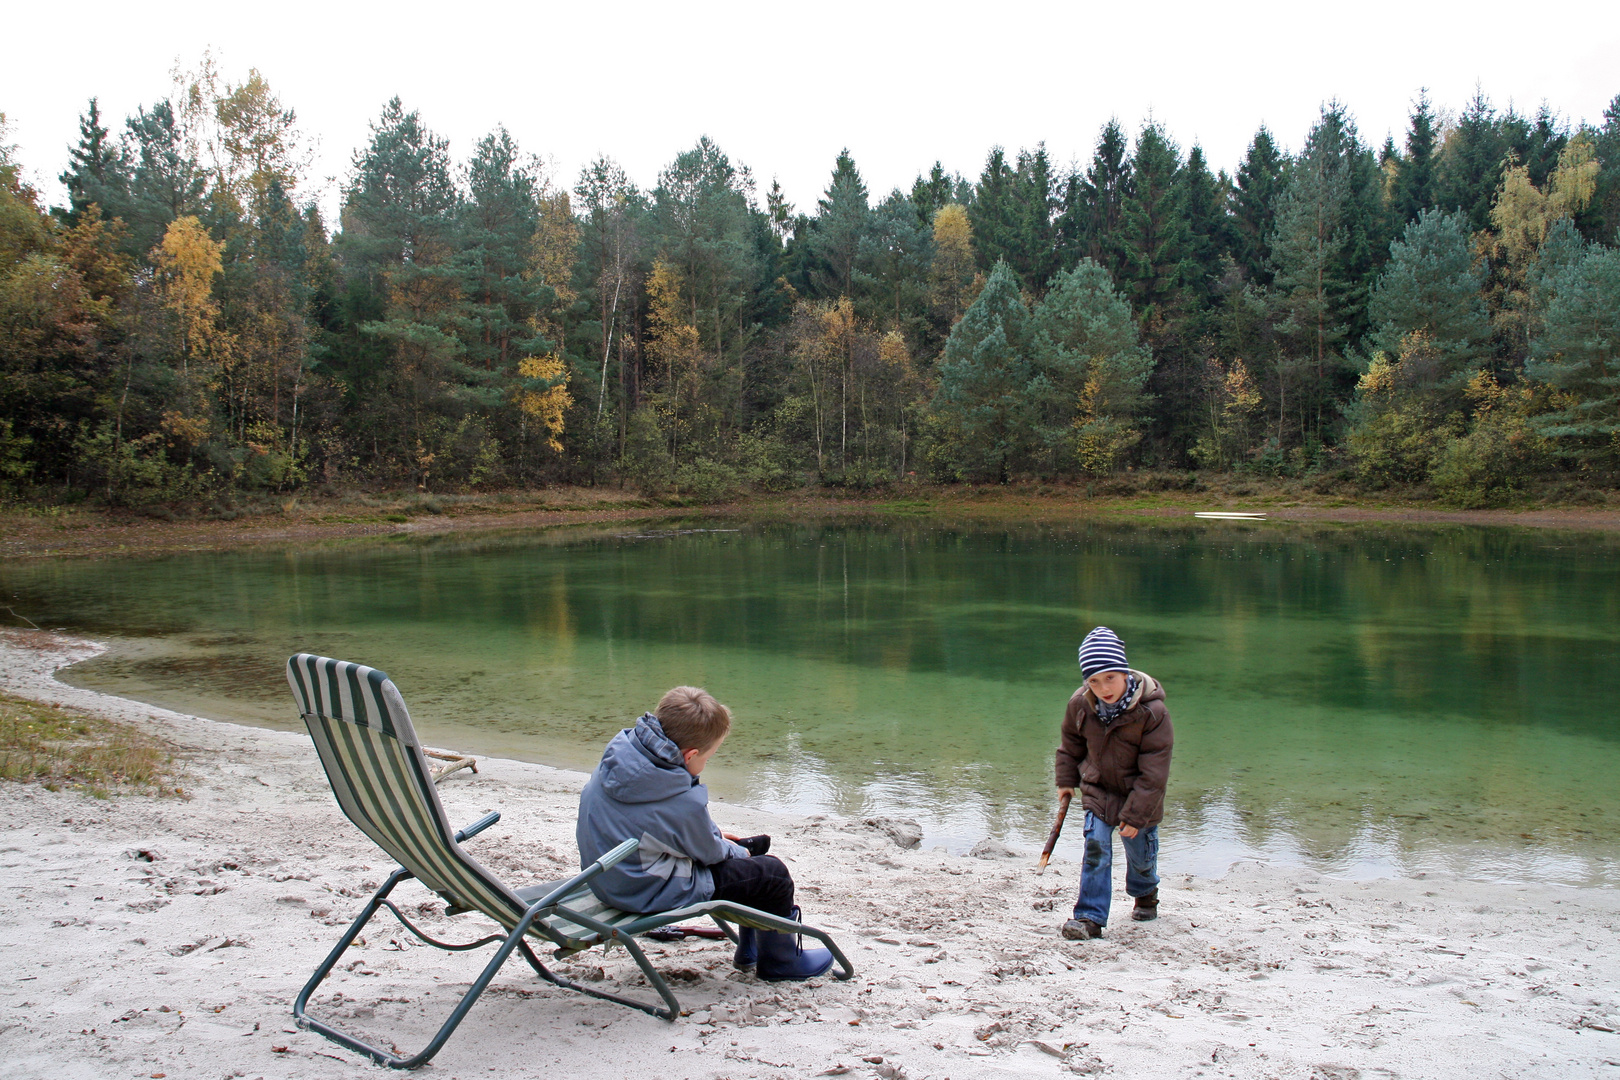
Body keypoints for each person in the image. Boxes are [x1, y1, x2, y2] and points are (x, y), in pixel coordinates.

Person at [576, 685, 834, 981]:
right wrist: (739, 851)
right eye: (708, 758)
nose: (706, 764)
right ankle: (781, 962)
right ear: (691, 755)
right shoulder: (678, 797)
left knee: (744, 856)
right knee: (772, 874)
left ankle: (750, 949)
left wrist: (723, 841)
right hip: (642, 890)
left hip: (608, 876)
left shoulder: (623, 755)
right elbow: (709, 852)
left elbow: (656, 828)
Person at [1054, 626, 1173, 940]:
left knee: (1141, 857)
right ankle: (1089, 918)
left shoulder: (1153, 713)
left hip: (1140, 799)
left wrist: (1135, 815)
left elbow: (1155, 773)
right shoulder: (1081, 704)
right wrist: (1066, 781)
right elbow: (1070, 746)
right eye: (1093, 680)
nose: (1103, 687)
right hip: (1098, 790)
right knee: (1095, 848)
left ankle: (1145, 892)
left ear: (1123, 672)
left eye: (1110, 677)